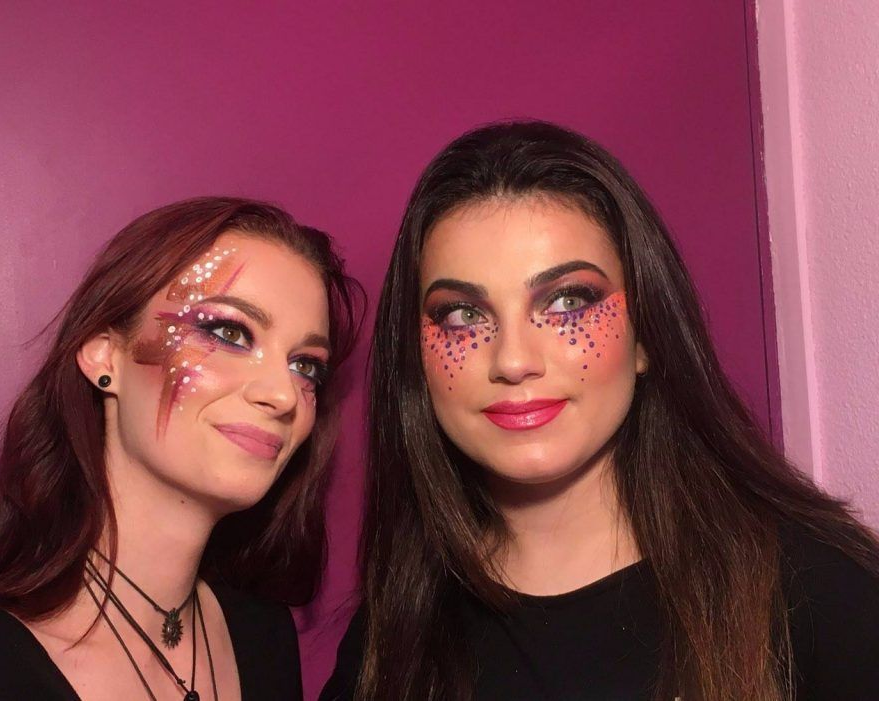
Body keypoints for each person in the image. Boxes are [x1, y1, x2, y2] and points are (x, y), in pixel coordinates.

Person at [321, 121, 879, 701]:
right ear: (415, 358)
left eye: (567, 302)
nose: (513, 360)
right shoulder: (392, 635)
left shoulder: (815, 595)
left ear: (646, 336)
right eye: (463, 315)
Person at [0, 197, 363, 700]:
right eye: (229, 332)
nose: (281, 395)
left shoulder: (261, 637)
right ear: (105, 354)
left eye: (306, 366)